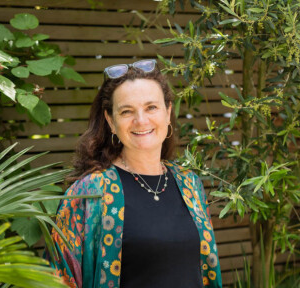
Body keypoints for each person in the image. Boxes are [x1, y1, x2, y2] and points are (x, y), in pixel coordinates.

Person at [47, 59, 222, 288]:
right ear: (111, 121)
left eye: (151, 107)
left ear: (168, 112)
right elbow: (55, 279)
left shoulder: (190, 184)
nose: (141, 120)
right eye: (127, 111)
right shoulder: (89, 193)